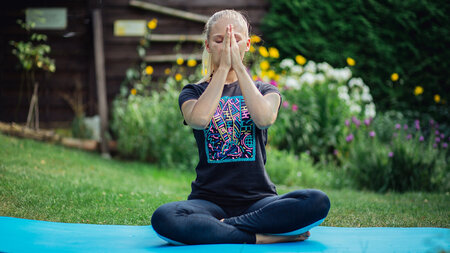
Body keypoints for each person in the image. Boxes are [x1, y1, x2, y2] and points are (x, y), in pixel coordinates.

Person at [151, 9, 330, 245]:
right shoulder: (193, 92)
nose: (228, 47)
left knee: (317, 201)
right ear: (208, 46)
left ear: (247, 45)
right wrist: (224, 68)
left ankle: (223, 230)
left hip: (258, 200)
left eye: (235, 41)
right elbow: (200, 120)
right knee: (165, 218)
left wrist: (238, 68)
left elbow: (264, 119)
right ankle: (262, 236)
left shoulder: (266, 90)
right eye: (220, 40)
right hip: (208, 201)